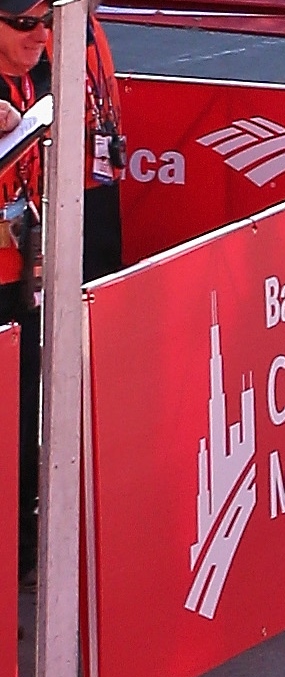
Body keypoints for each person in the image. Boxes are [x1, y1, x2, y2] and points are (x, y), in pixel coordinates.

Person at [0, 0, 125, 579]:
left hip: (31, 260)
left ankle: (27, 540)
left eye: (45, 22)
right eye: (25, 24)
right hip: (11, 271)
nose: (41, 35)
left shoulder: (40, 69)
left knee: (33, 404)